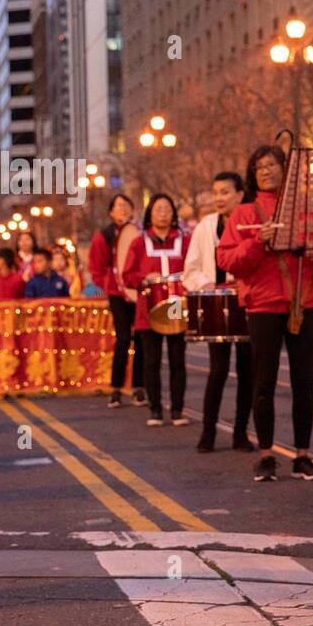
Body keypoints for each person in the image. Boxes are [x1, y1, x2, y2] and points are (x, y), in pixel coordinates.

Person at [217, 146, 313, 479]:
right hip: (263, 305)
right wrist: (256, 243)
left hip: (302, 303)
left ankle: (303, 454)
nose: (266, 171)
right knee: (263, 383)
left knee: (304, 383)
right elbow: (227, 261)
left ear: (286, 169)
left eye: (272, 165)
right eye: (259, 166)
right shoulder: (244, 213)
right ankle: (266, 454)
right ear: (252, 173)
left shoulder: (310, 206)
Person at [184, 171, 255, 453]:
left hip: (248, 303)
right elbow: (191, 269)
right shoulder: (205, 226)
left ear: (240, 194)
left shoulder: (251, 222)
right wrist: (208, 284)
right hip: (216, 305)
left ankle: (241, 433)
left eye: (225, 192)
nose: (218, 198)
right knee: (217, 371)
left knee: (247, 371)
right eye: (215, 193)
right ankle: (208, 431)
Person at [122, 193, 190, 426]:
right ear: (150, 214)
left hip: (176, 308)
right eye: (158, 209)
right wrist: (143, 278)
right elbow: (127, 276)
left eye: (167, 209)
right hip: (148, 309)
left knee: (177, 360)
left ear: (173, 214)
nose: (163, 213)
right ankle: (155, 410)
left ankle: (178, 410)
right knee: (151, 362)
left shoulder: (185, 240)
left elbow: (195, 266)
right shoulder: (139, 243)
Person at [88, 193, 147, 409]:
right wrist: (110, 285)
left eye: (126, 205)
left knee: (142, 338)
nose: (122, 209)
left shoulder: (141, 233)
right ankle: (116, 388)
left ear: (132, 209)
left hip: (139, 292)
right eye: (118, 206)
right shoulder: (103, 236)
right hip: (117, 294)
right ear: (111, 212)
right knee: (123, 339)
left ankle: (139, 387)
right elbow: (96, 267)